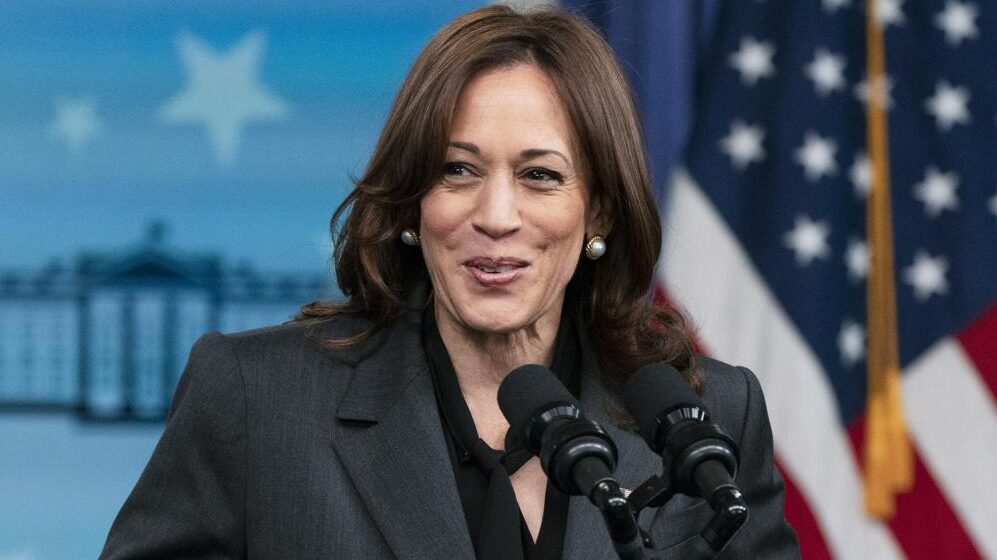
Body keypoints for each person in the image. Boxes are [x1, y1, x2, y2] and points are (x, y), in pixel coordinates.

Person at [100, 5, 800, 559]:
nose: (495, 216)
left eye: (540, 176)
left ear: (600, 213)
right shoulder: (256, 398)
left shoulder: (711, 416)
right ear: (412, 203)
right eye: (457, 170)